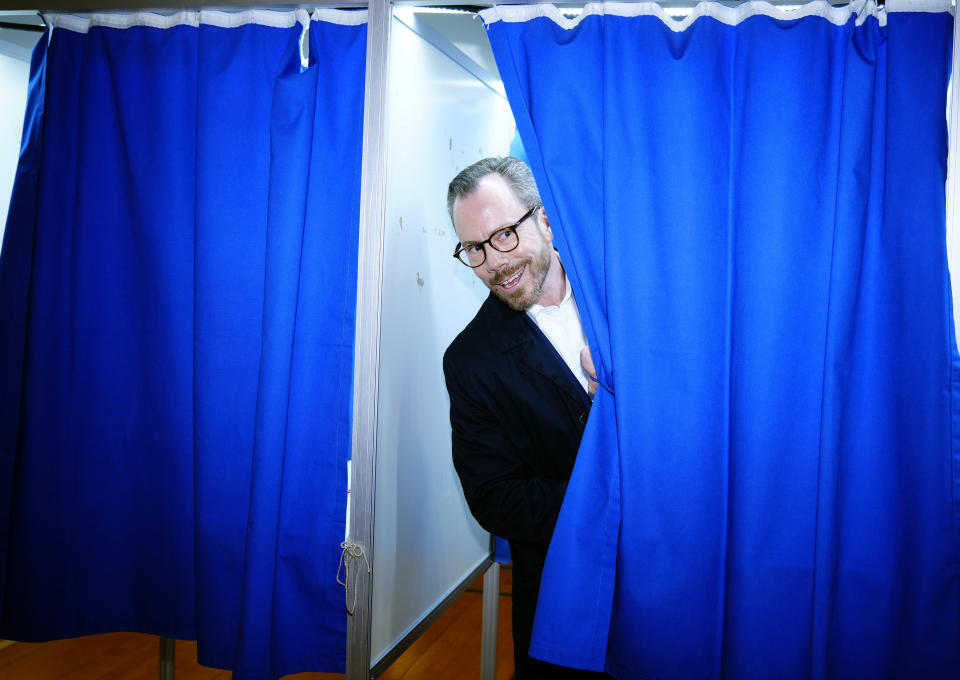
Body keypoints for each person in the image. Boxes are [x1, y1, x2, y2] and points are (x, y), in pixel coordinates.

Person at [443, 157, 604, 679]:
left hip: (675, 582)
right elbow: (495, 498)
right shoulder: (471, 360)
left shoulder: (623, 297)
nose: (495, 262)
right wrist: (610, 503)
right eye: (475, 248)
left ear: (546, 219)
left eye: (505, 234)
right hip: (563, 596)